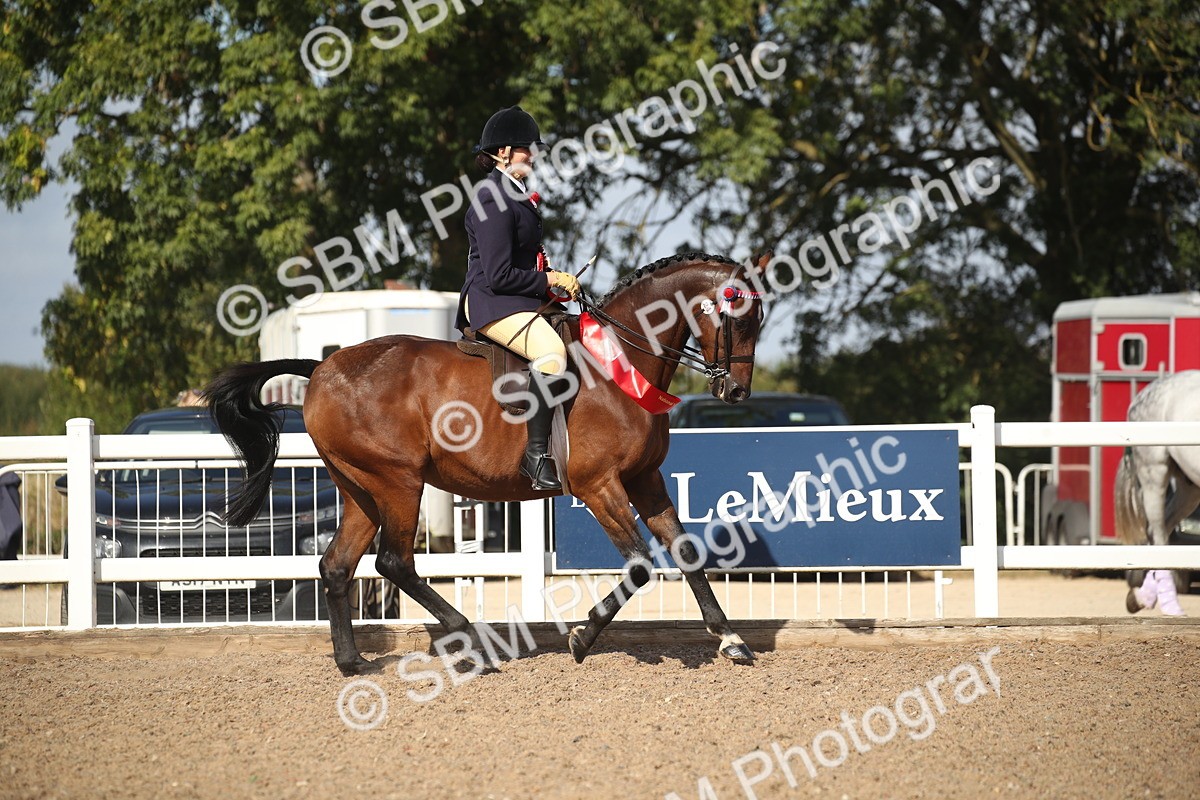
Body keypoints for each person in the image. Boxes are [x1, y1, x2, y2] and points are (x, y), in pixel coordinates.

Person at [456, 106, 580, 492]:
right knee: (552, 354)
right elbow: (498, 274)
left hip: (516, 298)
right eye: (528, 149)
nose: (534, 155)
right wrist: (549, 279)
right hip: (492, 301)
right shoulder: (492, 197)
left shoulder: (514, 194)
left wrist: (553, 283)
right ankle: (536, 454)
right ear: (504, 152)